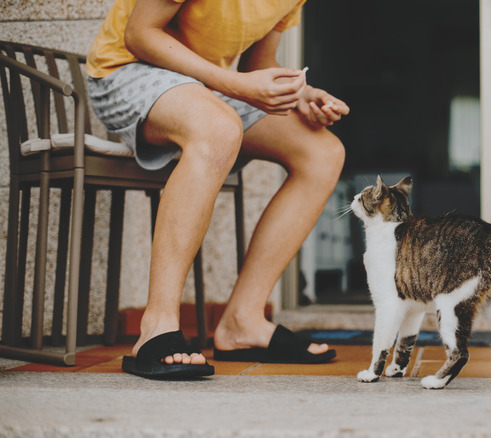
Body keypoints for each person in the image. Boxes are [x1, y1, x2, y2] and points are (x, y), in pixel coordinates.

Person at [86, 0, 348, 378]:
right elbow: (140, 35)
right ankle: (156, 326)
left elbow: (258, 66)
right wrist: (232, 84)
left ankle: (244, 320)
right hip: (128, 70)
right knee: (219, 126)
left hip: (206, 84)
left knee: (322, 152)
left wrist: (300, 93)